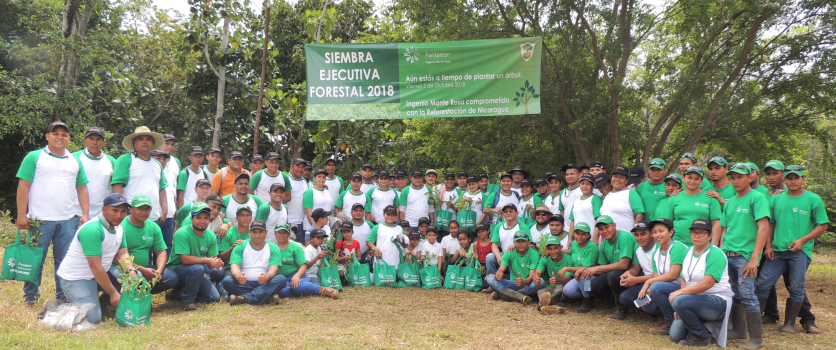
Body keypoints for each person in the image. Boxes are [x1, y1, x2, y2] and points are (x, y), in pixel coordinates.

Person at [17, 122, 91, 305]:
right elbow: (23, 187)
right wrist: (21, 214)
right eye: (55, 133)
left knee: (64, 260)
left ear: (69, 139)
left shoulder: (75, 160)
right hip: (39, 219)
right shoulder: (34, 157)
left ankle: (63, 295)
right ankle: (31, 296)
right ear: (47, 136)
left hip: (68, 219)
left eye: (64, 134)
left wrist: (85, 213)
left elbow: (82, 188)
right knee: (35, 260)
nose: (60, 137)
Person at [755, 166, 827, 334]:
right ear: (785, 180)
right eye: (789, 178)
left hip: (800, 252)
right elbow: (770, 223)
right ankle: (755, 320)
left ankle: (789, 324)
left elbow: (822, 224)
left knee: (796, 287)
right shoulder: (776, 199)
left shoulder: (813, 199)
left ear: (803, 179)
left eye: (796, 178)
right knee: (763, 284)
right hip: (777, 251)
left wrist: (803, 240)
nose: (793, 181)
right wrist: (768, 246)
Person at [54, 193, 132, 324]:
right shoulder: (92, 230)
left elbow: (123, 253)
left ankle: (101, 304)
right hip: (76, 277)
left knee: (135, 277)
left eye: (123, 211)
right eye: (115, 210)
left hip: (101, 272)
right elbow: (95, 267)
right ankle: (57, 307)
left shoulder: (119, 229)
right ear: (104, 209)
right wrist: (113, 293)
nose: (119, 216)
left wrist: (131, 272)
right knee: (91, 319)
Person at [721, 163, 770, 349]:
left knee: (748, 294)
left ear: (750, 177)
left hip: (745, 256)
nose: (735, 181)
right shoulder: (731, 201)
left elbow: (763, 227)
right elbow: (725, 229)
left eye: (739, 177)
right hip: (728, 254)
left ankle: (757, 340)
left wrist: (754, 258)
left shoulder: (757, 198)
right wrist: (720, 251)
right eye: (732, 177)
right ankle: (739, 331)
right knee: (734, 292)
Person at [665, 219, 735, 347]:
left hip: (717, 300)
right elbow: (684, 279)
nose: (697, 236)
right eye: (694, 232)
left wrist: (680, 297)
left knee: (679, 301)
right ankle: (701, 325)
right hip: (694, 299)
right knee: (675, 336)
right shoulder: (688, 251)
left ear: (710, 236)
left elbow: (707, 283)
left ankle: (701, 336)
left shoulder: (715, 253)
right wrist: (679, 304)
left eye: (702, 233)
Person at [115, 195, 179, 297]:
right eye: (140, 208)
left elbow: (161, 252)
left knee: (171, 277)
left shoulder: (153, 226)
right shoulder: (121, 227)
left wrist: (158, 272)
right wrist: (142, 270)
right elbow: (116, 258)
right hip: (125, 269)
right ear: (130, 209)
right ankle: (124, 294)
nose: (144, 212)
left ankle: (141, 293)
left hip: (146, 268)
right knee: (124, 275)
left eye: (147, 209)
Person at [166, 202, 224, 310]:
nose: (202, 221)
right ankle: (188, 299)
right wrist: (208, 261)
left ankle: (179, 293)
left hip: (197, 269)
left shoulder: (211, 235)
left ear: (209, 219)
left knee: (213, 297)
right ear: (192, 219)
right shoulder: (182, 233)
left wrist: (215, 263)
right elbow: (185, 259)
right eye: (198, 218)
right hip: (177, 269)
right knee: (197, 268)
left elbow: (211, 261)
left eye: (206, 218)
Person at [638, 219, 691, 335]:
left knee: (656, 287)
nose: (657, 235)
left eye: (661, 231)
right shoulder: (656, 252)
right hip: (667, 288)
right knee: (644, 304)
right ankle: (665, 316)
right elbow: (658, 277)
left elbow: (673, 275)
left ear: (671, 232)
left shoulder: (677, 247)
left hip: (683, 288)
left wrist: (648, 283)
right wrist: (648, 292)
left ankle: (669, 322)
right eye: (655, 232)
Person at [577, 215, 637, 315]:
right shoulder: (604, 243)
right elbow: (602, 268)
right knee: (591, 286)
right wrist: (586, 269)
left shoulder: (624, 237)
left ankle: (622, 308)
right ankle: (592, 300)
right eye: (601, 229)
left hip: (631, 274)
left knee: (612, 275)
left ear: (614, 225)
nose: (604, 231)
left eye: (607, 227)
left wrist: (596, 268)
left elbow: (624, 265)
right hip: (614, 275)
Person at [111, 126, 167, 226]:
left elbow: (161, 189)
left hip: (153, 216)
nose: (145, 142)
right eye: (140, 139)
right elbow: (117, 186)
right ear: (134, 143)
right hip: (130, 216)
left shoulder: (157, 164)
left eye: (148, 139)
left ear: (153, 143)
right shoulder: (126, 159)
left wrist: (164, 211)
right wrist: (121, 210)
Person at [222, 220, 285, 306]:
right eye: (254, 232)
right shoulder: (240, 246)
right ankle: (266, 296)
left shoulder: (273, 248)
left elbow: (274, 269)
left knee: (281, 279)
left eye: (260, 232)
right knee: (226, 281)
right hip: (244, 283)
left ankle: (244, 298)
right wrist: (238, 277)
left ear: (266, 232)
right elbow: (234, 267)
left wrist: (266, 278)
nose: (257, 235)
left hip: (265, 282)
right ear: (249, 232)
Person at [656, 167, 722, 246]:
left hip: (702, 246)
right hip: (677, 244)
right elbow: (665, 223)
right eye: (689, 178)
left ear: (701, 181)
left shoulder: (710, 198)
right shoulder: (674, 198)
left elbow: (716, 224)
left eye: (696, 179)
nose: (692, 181)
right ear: (683, 178)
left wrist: (713, 246)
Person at [273, 224, 339, 298]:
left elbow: (303, 266)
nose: (281, 235)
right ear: (275, 234)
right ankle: (306, 291)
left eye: (284, 233)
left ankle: (322, 290)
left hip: (297, 275)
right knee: (282, 291)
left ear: (289, 234)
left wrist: (297, 276)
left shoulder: (295, 247)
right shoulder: (271, 248)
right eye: (279, 232)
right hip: (281, 279)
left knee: (297, 287)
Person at [614, 221, 658, 320]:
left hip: (659, 283)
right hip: (645, 283)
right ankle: (650, 309)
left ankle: (661, 314)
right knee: (624, 297)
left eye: (643, 234)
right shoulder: (637, 247)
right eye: (636, 235)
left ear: (651, 233)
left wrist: (636, 280)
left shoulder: (658, 247)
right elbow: (635, 268)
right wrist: (628, 274)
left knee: (651, 302)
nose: (639, 238)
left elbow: (660, 275)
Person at [487, 232, 544, 305]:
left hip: (526, 284)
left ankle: (505, 295)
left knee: (540, 282)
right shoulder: (509, 252)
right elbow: (502, 268)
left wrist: (523, 282)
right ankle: (518, 296)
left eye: (523, 241)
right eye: (518, 241)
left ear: (528, 242)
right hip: (513, 283)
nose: (520, 244)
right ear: (514, 242)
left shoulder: (534, 254)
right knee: (490, 279)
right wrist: (499, 273)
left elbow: (531, 277)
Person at [485, 204, 532, 292]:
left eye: (511, 211)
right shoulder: (499, 226)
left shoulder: (522, 226)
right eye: (506, 211)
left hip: (518, 256)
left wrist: (517, 246)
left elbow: (529, 244)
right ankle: (492, 282)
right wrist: (498, 256)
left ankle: (506, 287)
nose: (508, 213)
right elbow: (494, 244)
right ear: (502, 214)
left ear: (517, 213)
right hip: (504, 255)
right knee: (490, 257)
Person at [72, 127, 115, 218]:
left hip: (102, 215)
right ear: (84, 140)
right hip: (75, 213)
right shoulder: (73, 158)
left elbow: (117, 185)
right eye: (91, 139)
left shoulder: (111, 161)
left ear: (104, 142)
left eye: (98, 139)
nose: (94, 142)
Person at [599, 165, 645, 240]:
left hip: (625, 237)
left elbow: (640, 213)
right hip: (606, 240)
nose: (617, 179)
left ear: (626, 181)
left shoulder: (631, 193)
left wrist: (635, 233)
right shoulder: (606, 196)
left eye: (621, 177)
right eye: (615, 176)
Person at [217, 207, 253, 300]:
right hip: (230, 267)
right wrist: (232, 248)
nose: (245, 218)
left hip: (249, 266)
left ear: (251, 217)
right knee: (225, 292)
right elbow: (222, 257)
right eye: (242, 215)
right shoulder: (230, 232)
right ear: (237, 218)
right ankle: (251, 293)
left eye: (248, 215)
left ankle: (243, 295)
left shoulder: (254, 232)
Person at [560, 222, 599, 308]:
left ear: (589, 235)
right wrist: (557, 251)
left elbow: (587, 267)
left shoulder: (592, 247)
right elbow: (570, 252)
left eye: (583, 234)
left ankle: (588, 300)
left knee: (583, 273)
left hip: (591, 276)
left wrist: (567, 268)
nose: (579, 237)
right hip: (578, 275)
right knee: (567, 291)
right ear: (574, 233)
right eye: (577, 233)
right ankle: (588, 296)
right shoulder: (574, 243)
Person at [533, 235, 575, 314]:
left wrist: (557, 281)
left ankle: (544, 305)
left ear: (561, 247)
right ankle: (554, 307)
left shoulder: (568, 259)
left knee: (560, 290)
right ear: (546, 249)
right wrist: (536, 277)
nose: (553, 251)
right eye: (550, 249)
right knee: (541, 291)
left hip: (562, 285)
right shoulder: (545, 259)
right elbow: (538, 271)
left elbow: (568, 278)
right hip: (550, 287)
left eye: (555, 248)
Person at [152, 150, 178, 256]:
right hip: (153, 217)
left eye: (164, 159)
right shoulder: (150, 173)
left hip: (168, 218)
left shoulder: (169, 175)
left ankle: (162, 272)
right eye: (158, 158)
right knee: (150, 247)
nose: (162, 161)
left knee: (165, 247)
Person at [569, 173, 602, 242]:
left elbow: (598, 219)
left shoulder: (595, 199)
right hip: (578, 238)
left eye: (588, 184)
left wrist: (595, 238)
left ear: (592, 186)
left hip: (590, 237)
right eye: (582, 183)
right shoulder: (576, 201)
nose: (584, 186)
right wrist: (570, 238)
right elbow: (572, 221)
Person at [286, 158, 310, 242]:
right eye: (297, 166)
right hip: (287, 221)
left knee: (300, 250)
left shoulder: (305, 183)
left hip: (301, 223)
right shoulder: (286, 180)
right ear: (291, 167)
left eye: (303, 167)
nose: (300, 169)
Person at [557, 164, 582, 233]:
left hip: (582, 229)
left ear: (579, 175)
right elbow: (562, 212)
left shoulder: (583, 190)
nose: (569, 176)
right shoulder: (562, 192)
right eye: (567, 174)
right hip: (567, 230)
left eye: (572, 174)